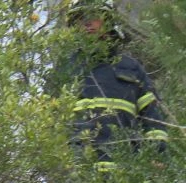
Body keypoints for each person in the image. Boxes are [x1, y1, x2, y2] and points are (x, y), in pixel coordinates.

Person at [51, 0, 170, 169]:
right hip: (79, 170)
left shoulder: (131, 67)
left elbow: (152, 117)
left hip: (126, 168)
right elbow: (51, 119)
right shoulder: (65, 68)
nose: (87, 22)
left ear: (107, 21)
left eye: (94, 16)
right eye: (80, 18)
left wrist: (158, 155)